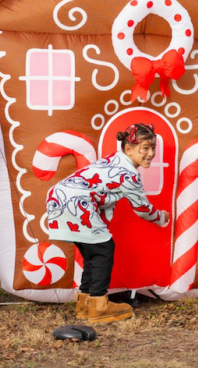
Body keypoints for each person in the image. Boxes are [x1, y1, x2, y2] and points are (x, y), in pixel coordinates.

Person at [46, 123, 169, 323]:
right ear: (129, 148)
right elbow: (143, 209)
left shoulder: (113, 160)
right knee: (104, 249)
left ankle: (85, 301)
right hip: (76, 201)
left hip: (58, 196)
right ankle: (99, 304)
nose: (151, 153)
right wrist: (161, 217)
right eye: (145, 148)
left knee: (92, 252)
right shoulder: (128, 174)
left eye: (153, 148)